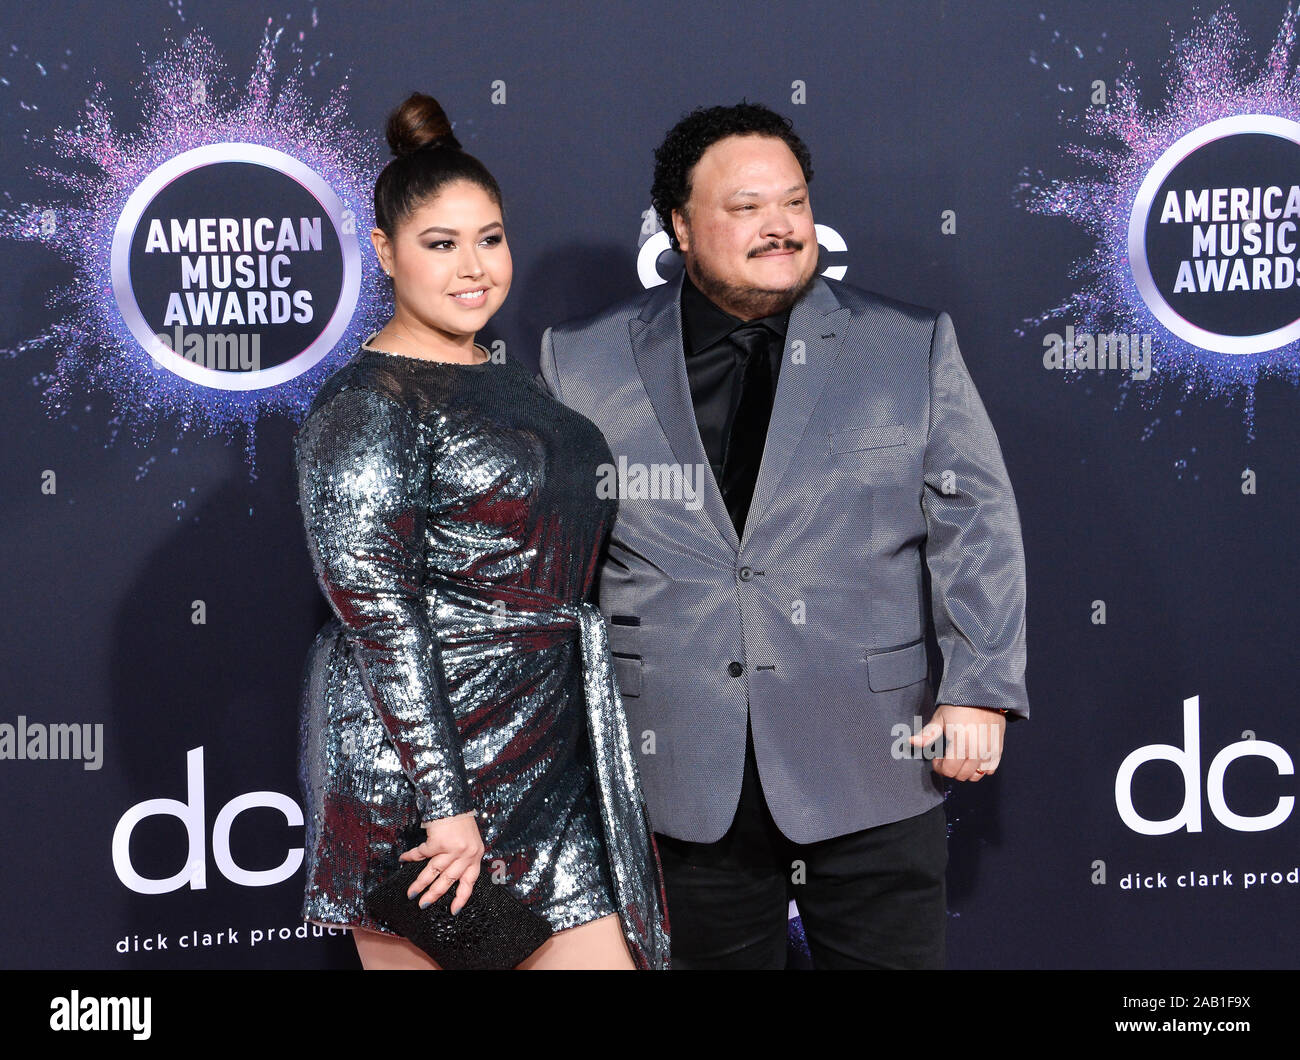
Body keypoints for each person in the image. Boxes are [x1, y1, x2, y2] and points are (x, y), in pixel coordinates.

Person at [538, 102, 1028, 969]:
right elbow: (551, 568)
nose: (781, 227)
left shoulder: (908, 346)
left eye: (795, 203)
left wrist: (980, 686)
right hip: (679, 772)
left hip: (877, 761)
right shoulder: (581, 361)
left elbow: (976, 521)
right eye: (747, 207)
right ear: (680, 228)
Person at [293, 92, 668, 970]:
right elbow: (378, 614)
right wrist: (446, 804)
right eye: (441, 244)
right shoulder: (363, 406)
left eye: (490, 239)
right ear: (384, 252)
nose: (474, 268)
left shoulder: (518, 383)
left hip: (549, 743)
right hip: (422, 772)